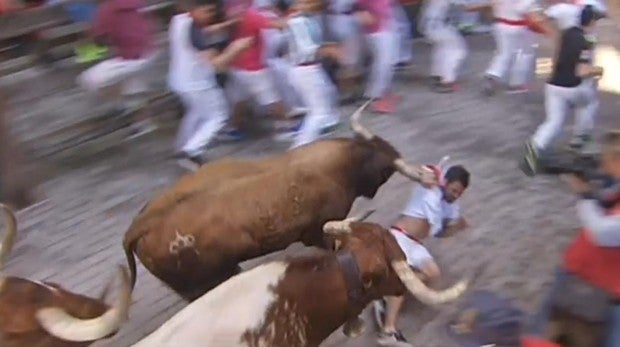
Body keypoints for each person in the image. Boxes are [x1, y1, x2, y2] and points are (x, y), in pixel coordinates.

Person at [522, 130, 620, 347]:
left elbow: (603, 233)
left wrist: (583, 193)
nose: (603, 166)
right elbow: (607, 201)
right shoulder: (614, 184)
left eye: (608, 160)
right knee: (547, 327)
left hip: (606, 286)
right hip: (581, 270)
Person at [373, 164, 470, 347]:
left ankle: (387, 295)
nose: (455, 195)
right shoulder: (428, 185)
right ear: (446, 182)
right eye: (454, 190)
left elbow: (440, 233)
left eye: (459, 193)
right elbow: (417, 171)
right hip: (399, 236)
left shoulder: (452, 206)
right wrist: (422, 174)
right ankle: (388, 331)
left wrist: (458, 227)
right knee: (406, 278)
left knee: (433, 273)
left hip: (416, 244)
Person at [168, 0, 253, 170]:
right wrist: (236, 48)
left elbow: (208, 30)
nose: (211, 16)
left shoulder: (179, 20)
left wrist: (229, 23)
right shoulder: (195, 33)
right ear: (194, 10)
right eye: (207, 12)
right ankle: (191, 151)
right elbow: (217, 64)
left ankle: (182, 148)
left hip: (179, 80)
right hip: (196, 82)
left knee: (196, 112)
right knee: (218, 115)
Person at [522, 4, 605, 175]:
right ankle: (580, 140)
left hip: (553, 86)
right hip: (571, 88)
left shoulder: (567, 32)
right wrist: (598, 70)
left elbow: (557, 54)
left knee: (553, 122)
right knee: (590, 102)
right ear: (591, 21)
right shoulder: (587, 40)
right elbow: (581, 71)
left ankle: (534, 149)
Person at [77, 0, 159, 138]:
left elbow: (100, 41)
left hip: (131, 57)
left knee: (88, 79)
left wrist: (90, 32)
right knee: (133, 85)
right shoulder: (136, 2)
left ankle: (121, 106)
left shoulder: (107, 8)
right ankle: (143, 124)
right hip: (150, 51)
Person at [285, 0, 342, 148]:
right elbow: (306, 49)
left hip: (312, 68)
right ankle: (299, 147)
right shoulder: (297, 22)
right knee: (318, 112)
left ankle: (325, 127)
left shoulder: (311, 19)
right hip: (304, 69)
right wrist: (328, 50)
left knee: (330, 93)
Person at [482, 0, 549, 95]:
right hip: (520, 28)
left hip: (500, 25)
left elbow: (490, 8)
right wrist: (547, 31)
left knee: (503, 53)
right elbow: (533, 18)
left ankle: (493, 74)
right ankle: (516, 83)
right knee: (525, 54)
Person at [356, 0, 401, 114]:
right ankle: (375, 98)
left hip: (385, 23)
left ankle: (383, 93)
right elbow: (359, 7)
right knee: (383, 63)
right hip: (376, 29)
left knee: (389, 62)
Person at [418, 0, 468, 93]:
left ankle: (437, 75)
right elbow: (465, 6)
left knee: (442, 47)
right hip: (437, 25)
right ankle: (447, 81)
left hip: (429, 23)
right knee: (457, 49)